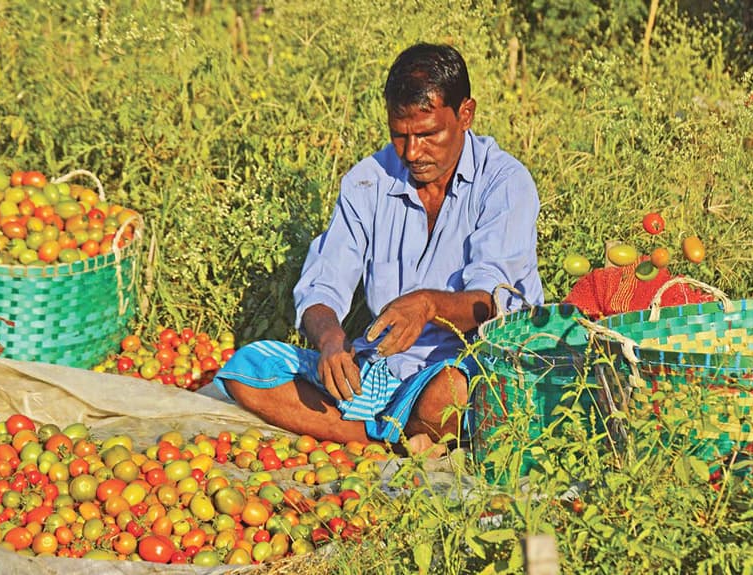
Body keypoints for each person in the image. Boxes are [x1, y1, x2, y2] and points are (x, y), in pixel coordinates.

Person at [213, 43, 543, 454]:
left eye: (428, 135)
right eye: (399, 136)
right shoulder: (368, 181)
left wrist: (427, 305)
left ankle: (379, 429)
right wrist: (331, 341)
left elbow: (492, 303)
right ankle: (392, 436)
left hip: (468, 363)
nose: (412, 153)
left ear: (465, 115)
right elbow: (322, 285)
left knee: (454, 392)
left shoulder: (505, 183)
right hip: (381, 370)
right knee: (247, 371)